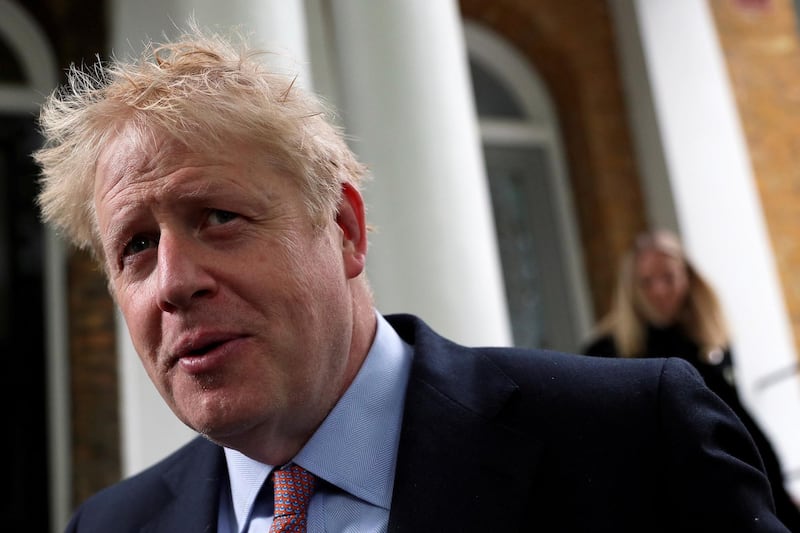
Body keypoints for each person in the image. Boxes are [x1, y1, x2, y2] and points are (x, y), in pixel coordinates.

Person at [33, 24, 790, 532]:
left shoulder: (632, 440)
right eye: (134, 245)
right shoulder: (111, 525)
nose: (172, 281)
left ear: (345, 230)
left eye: (219, 217)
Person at [582, 228, 800, 531]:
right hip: (685, 498)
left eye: (668, 277)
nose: (659, 290)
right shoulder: (608, 352)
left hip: (749, 482)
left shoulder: (706, 336)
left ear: (687, 277)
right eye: (647, 282)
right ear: (631, 287)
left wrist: (778, 492)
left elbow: (736, 418)